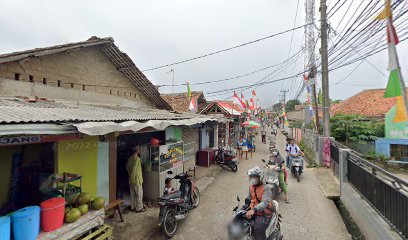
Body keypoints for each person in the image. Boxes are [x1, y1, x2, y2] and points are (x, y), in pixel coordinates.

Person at [246, 167, 274, 240]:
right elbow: (249, 198)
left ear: (260, 177)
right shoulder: (251, 187)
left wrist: (254, 210)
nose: (253, 179)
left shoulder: (266, 188)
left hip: (265, 213)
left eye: (255, 177)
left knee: (258, 229)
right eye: (251, 177)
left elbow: (265, 203)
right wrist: (245, 205)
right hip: (254, 211)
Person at [127, 145, 146, 212]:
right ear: (137, 151)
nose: (140, 150)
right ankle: (139, 208)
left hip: (131, 179)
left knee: (132, 194)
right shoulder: (137, 159)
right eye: (139, 149)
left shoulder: (130, 158)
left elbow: (127, 167)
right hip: (136, 179)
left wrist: (130, 177)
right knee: (139, 194)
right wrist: (132, 177)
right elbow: (134, 170)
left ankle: (133, 206)